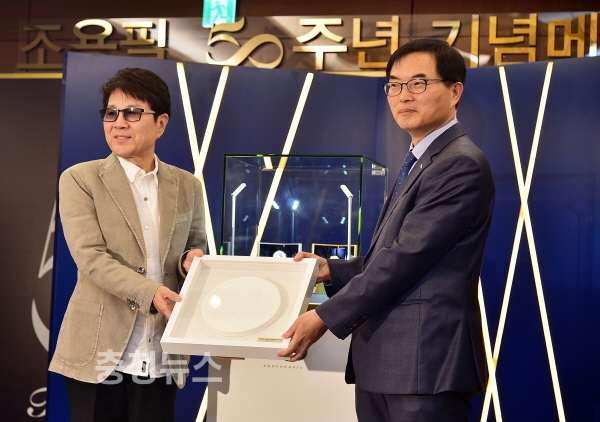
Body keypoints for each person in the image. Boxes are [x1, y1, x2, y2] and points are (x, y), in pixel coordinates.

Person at [278, 39, 495, 421]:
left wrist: (324, 316)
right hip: (389, 364)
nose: (403, 95)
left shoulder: (458, 164)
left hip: (424, 364)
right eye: (394, 84)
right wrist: (333, 269)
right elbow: (394, 254)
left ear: (455, 91)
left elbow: (406, 258)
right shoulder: (422, 160)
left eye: (418, 83)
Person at [49, 67, 207, 421]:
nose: (119, 123)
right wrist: (151, 292)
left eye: (132, 113)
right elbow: (91, 258)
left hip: (161, 354)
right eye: (111, 113)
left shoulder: (188, 185)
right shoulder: (80, 178)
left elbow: (196, 247)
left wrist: (190, 261)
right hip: (98, 354)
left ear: (161, 123)